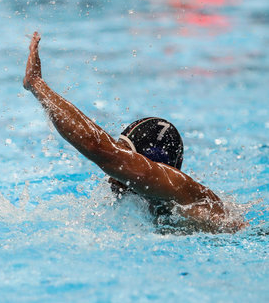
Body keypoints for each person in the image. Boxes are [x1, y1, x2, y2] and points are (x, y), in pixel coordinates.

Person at [22, 31, 244, 233]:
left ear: (150, 162)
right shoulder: (167, 204)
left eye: (124, 152)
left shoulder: (175, 187)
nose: (111, 176)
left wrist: (37, 84)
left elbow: (97, 146)